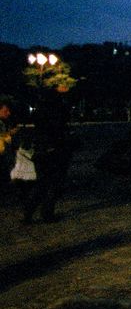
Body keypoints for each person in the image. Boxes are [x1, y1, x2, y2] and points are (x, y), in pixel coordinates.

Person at [24, 85, 74, 223]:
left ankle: (28, 213)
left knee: (41, 183)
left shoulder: (40, 109)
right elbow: (61, 126)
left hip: (41, 149)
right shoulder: (58, 108)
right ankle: (47, 213)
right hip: (56, 149)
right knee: (55, 183)